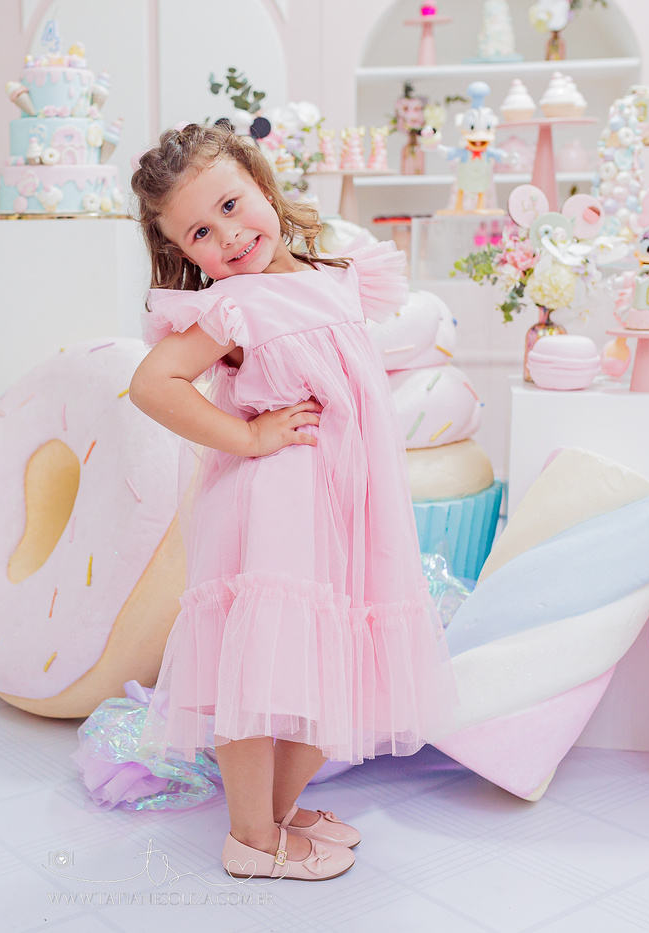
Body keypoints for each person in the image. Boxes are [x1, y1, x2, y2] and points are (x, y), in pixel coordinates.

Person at [127, 123, 460, 882]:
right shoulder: (233, 307)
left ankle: (274, 813)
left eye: (231, 206)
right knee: (259, 668)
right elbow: (152, 384)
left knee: (332, 659)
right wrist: (246, 437)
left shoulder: (333, 276)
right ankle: (250, 836)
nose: (228, 236)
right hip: (276, 504)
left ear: (262, 183)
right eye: (200, 233)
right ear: (185, 253)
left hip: (344, 503)